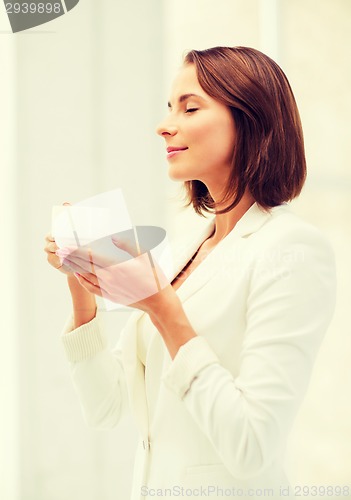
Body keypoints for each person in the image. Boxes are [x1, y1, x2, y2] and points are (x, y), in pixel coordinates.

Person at [44, 46, 336, 500]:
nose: (164, 125)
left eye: (190, 107)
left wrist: (163, 308)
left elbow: (252, 446)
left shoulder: (293, 249)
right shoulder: (186, 250)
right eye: (168, 107)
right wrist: (84, 290)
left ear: (249, 121)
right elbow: (107, 407)